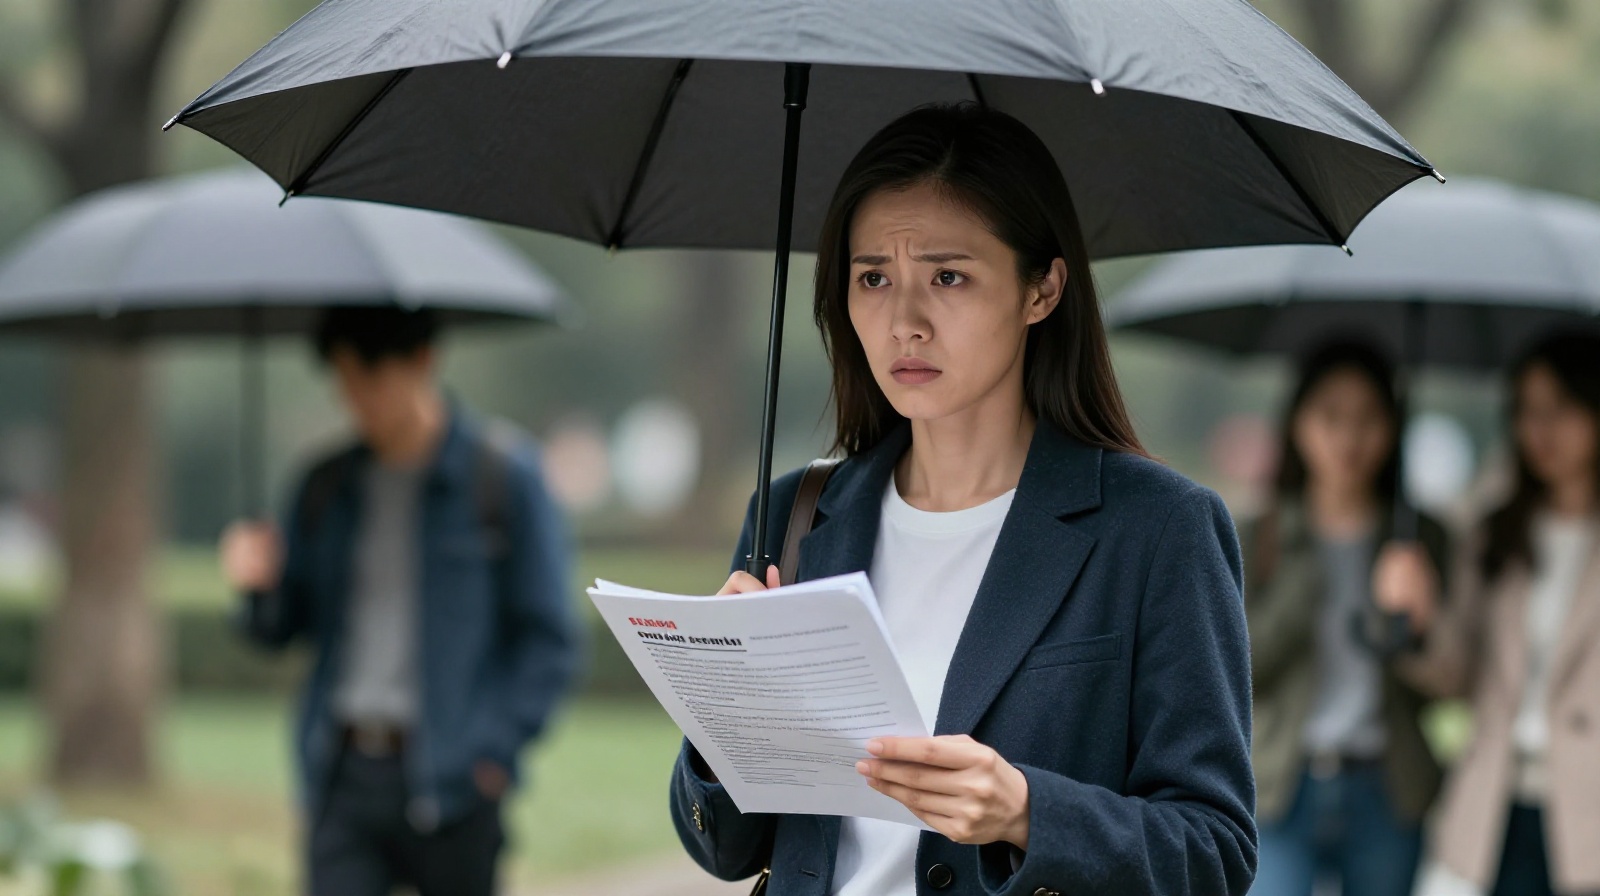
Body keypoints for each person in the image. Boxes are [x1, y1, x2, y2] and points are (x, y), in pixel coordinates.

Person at [668, 103, 1256, 895]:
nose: (904, 321)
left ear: (1043, 289)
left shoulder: (1158, 530)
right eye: (873, 276)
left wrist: (1027, 811)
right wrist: (726, 711)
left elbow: (1214, 851)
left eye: (948, 276)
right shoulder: (794, 515)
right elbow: (726, 851)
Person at [218, 305, 580, 896]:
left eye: (370, 378)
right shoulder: (325, 486)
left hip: (456, 778)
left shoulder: (502, 477)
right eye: (343, 381)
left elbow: (549, 639)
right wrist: (254, 582)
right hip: (343, 773)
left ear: (422, 360)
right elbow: (282, 628)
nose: (355, 399)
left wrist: (492, 753)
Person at [1393, 333, 1600, 896]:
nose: (1541, 431)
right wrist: (1416, 621)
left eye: (1560, 408)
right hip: (1493, 801)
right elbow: (1454, 677)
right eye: (1527, 411)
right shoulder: (1494, 532)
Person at [1242, 340, 1447, 896]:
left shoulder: (1418, 538)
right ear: (1298, 424)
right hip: (1281, 781)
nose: (1349, 439)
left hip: (1386, 784)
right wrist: (1304, 574)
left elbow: (1448, 685)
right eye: (1330, 416)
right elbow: (1235, 672)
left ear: (1393, 428)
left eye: (1368, 419)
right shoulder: (1257, 534)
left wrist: (1415, 620)